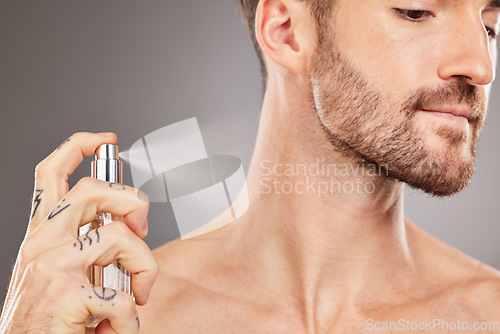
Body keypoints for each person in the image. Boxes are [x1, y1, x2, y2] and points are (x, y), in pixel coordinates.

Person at [1, 0, 500, 332]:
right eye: (417, 11)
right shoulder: (128, 320)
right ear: (285, 31)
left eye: (489, 25)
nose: (481, 66)